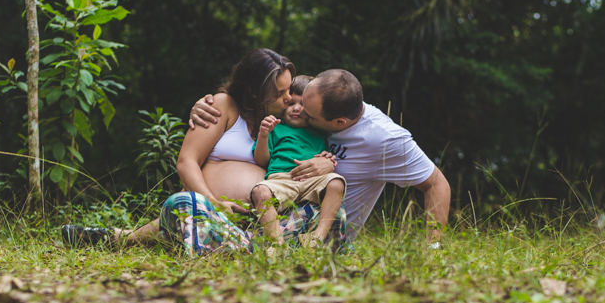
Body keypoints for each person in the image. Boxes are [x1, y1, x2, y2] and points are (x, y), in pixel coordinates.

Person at [61, 48, 340, 254]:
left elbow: (314, 154)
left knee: (333, 215)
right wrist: (213, 201)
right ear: (255, 91)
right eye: (280, 93)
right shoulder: (223, 105)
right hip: (209, 211)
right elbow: (186, 162)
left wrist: (327, 163)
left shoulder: (292, 123)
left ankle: (242, 246)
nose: (289, 98)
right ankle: (242, 247)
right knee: (182, 204)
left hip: (264, 220)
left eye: (289, 89)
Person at [189, 69, 452, 245]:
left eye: (309, 116)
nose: (299, 114)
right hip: (271, 207)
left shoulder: (385, 139)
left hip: (318, 225)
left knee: (199, 222)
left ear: (338, 122)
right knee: (191, 214)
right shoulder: (319, 99)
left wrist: (434, 248)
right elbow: (275, 97)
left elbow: (436, 184)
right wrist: (210, 103)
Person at [250, 75, 346, 247]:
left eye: (303, 105)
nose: (296, 108)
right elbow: (261, 160)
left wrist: (327, 158)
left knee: (337, 183)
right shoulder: (276, 129)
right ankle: (275, 243)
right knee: (259, 191)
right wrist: (263, 135)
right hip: (281, 180)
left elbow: (326, 160)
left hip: (311, 181)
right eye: (291, 103)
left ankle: (317, 237)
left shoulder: (320, 131)